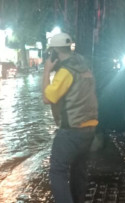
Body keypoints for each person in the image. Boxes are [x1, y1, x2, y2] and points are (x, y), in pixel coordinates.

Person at [42, 33, 98, 203]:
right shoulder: (84, 68)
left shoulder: (66, 72)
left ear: (55, 52)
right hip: (90, 128)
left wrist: (46, 71)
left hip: (72, 130)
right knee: (78, 169)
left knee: (57, 171)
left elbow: (47, 97)